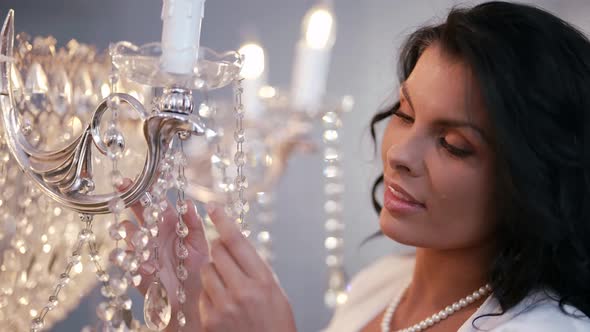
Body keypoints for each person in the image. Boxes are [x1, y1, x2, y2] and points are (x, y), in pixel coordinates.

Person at [123, 1, 590, 331]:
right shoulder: (379, 287)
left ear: (532, 178)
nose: (400, 155)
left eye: (451, 143)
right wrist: (189, 316)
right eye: (404, 115)